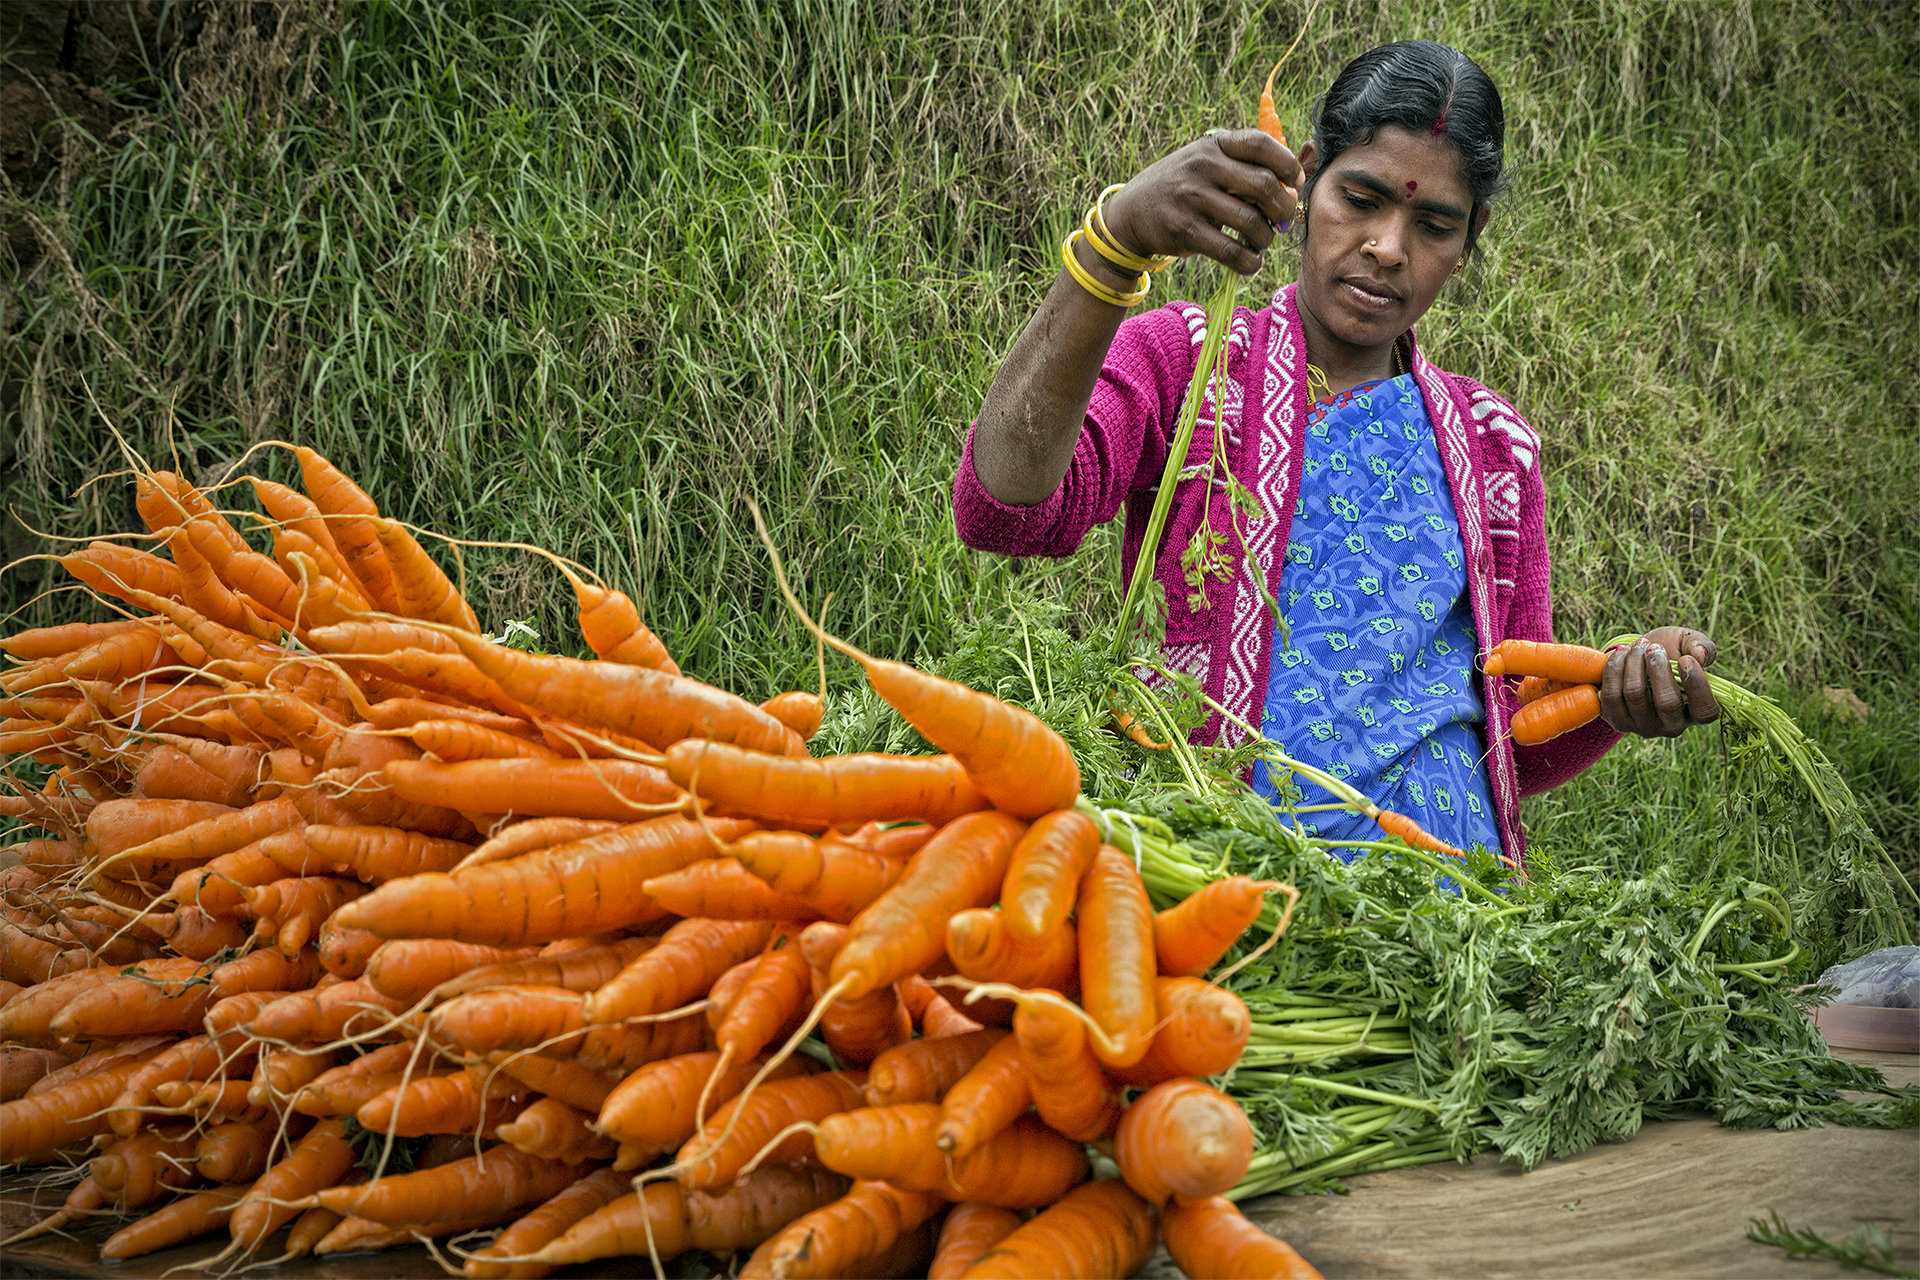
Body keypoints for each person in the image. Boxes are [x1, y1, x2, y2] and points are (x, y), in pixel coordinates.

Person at [951, 39, 1719, 863]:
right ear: (1307, 179)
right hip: (1211, 874)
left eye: (1434, 225)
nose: (1388, 246)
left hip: (1443, 903)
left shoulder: (1495, 448)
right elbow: (1005, 511)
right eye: (1361, 198)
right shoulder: (1192, 363)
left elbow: (1510, 743)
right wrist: (1114, 244)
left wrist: (1610, 693)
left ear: (1471, 238)